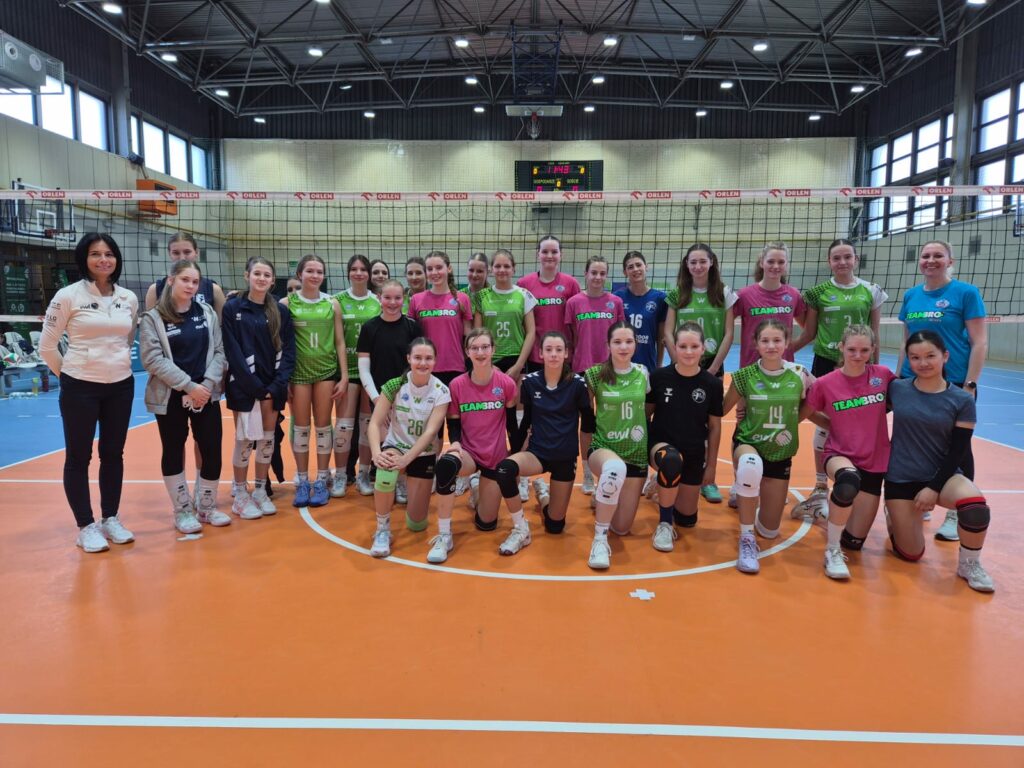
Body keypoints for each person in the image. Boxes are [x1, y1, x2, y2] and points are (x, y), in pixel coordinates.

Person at [39, 233, 139, 553]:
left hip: (121, 386)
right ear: (84, 258)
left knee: (113, 453)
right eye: (96, 254)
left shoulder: (128, 297)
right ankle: (86, 526)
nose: (103, 259)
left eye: (109, 254)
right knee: (78, 456)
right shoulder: (67, 296)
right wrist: (70, 376)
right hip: (80, 387)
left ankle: (110, 518)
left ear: (116, 259)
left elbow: (127, 339)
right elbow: (46, 346)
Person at [884, 331, 994, 592]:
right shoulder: (897, 389)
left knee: (975, 507)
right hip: (901, 478)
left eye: (930, 356)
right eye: (915, 357)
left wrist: (933, 487)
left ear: (945, 356)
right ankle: (894, 514)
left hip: (942, 478)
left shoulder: (962, 400)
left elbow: (959, 451)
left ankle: (969, 564)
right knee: (911, 554)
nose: (923, 363)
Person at [897, 241, 987, 542]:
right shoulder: (911, 295)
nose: (931, 260)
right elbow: (906, 341)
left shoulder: (966, 293)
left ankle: (955, 512)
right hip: (913, 380)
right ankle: (916, 493)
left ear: (950, 260)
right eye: (926, 255)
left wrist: (970, 384)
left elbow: (979, 341)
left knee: (959, 447)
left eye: (938, 255)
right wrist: (899, 376)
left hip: (954, 380)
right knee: (912, 440)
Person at [792, 239, 887, 518]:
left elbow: (875, 333)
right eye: (836, 258)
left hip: (860, 363)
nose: (842, 262)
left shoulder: (871, 290)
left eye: (847, 257)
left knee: (858, 423)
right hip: (826, 362)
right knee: (825, 423)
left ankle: (856, 482)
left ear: (855, 259)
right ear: (829, 262)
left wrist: (875, 369)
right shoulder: (817, 292)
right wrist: (784, 353)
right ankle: (820, 487)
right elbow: (809, 333)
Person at [139, 259, 229, 532]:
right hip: (171, 396)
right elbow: (152, 359)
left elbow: (220, 351)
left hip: (206, 395)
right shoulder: (153, 318)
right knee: (173, 450)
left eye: (195, 281)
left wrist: (207, 384)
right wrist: (189, 386)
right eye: (185, 280)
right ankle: (182, 511)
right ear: (171, 280)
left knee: (211, 450)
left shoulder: (206, 313)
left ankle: (206, 507)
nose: (190, 286)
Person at [723, 319, 818, 574]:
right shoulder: (745, 375)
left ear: (787, 343)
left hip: (780, 452)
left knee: (769, 531)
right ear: (756, 344)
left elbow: (816, 403)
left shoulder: (800, 373)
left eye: (777, 340)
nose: (771, 346)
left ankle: (751, 503)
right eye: (765, 340)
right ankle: (746, 537)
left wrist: (794, 422)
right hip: (749, 443)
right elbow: (720, 410)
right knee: (750, 464)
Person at [804, 325, 894, 579]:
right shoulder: (825, 383)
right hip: (839, 453)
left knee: (853, 542)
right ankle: (831, 550)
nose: (857, 355)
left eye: (864, 350)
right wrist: (833, 425)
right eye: (852, 349)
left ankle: (820, 511)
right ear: (841, 347)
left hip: (874, 460)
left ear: (873, 350)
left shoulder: (883, 376)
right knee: (847, 483)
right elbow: (806, 412)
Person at [497, 331, 594, 553]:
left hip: (565, 457)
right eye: (548, 350)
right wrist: (515, 451)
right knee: (504, 470)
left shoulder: (577, 384)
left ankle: (543, 494)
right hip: (537, 454)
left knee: (555, 525)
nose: (553, 354)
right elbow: (526, 421)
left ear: (566, 353)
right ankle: (521, 528)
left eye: (559, 350)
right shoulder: (530, 382)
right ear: (540, 353)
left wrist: (590, 461)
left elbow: (589, 422)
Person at [428, 328, 518, 563]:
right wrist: (456, 443)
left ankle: (477, 487)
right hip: (468, 453)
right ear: (467, 352)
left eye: (485, 347)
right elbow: (453, 422)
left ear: (493, 350)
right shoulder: (457, 385)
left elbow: (511, 424)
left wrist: (516, 457)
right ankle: (444, 535)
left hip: (495, 456)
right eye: (474, 348)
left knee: (486, 524)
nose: (480, 352)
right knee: (446, 465)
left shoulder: (506, 384)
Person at [221, 257, 295, 520]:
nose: (262, 278)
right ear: (247, 276)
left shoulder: (280, 311)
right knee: (244, 439)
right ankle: (241, 494)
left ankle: (261, 490)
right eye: (257, 274)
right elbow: (232, 350)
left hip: (272, 387)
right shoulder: (232, 308)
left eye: (266, 275)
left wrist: (276, 385)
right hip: (244, 386)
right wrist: (254, 387)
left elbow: (289, 352)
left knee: (266, 438)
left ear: (273, 280)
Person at [662, 243, 737, 504]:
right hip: (683, 363)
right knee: (680, 417)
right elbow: (668, 332)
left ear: (712, 262)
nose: (698, 266)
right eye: (693, 262)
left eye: (702, 261)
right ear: (686, 264)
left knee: (709, 421)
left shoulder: (723, 293)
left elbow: (729, 333)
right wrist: (678, 363)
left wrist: (714, 368)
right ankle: (670, 470)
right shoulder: (678, 293)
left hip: (711, 363)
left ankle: (708, 478)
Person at [366, 338, 451, 558]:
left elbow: (431, 432)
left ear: (435, 361)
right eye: (417, 358)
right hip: (396, 446)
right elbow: (374, 424)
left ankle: (409, 494)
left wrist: (408, 459)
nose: (423, 363)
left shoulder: (441, 391)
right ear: (408, 359)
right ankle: (382, 529)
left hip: (423, 453)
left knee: (417, 524)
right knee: (385, 470)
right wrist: (376, 453)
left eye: (428, 358)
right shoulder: (395, 385)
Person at [646, 323, 723, 553]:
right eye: (683, 346)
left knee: (687, 519)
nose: (688, 352)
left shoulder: (712, 384)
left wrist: (711, 466)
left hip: (693, 452)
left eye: (694, 346)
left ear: (703, 349)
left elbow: (715, 427)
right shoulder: (659, 377)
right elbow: (645, 416)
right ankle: (664, 524)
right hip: (662, 447)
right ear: (674, 347)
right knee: (671, 461)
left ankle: (662, 483)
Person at [583, 322, 650, 570]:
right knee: (614, 469)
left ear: (636, 344)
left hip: (635, 454)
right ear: (608, 345)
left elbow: (648, 411)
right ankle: (599, 540)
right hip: (603, 448)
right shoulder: (594, 374)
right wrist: (586, 469)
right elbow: (586, 422)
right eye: (617, 342)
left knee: (621, 528)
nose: (623, 347)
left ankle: (607, 494)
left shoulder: (643, 372)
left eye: (629, 341)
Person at [282, 254, 347, 508]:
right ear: (300, 274)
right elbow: (281, 343)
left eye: (319, 271)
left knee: (322, 427)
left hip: (325, 372)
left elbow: (340, 342)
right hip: (298, 374)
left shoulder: (332, 304)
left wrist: (343, 375)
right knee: (301, 427)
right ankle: (302, 479)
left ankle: (321, 478)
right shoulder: (287, 303)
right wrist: (284, 378)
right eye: (310, 271)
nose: (315, 275)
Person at [472, 249, 537, 501]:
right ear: (491, 270)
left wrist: (518, 366)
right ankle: (481, 472)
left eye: (506, 266)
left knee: (516, 420)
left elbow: (531, 332)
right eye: (497, 266)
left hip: (516, 361)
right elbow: (477, 335)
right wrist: (488, 365)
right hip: (489, 362)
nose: (501, 270)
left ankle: (520, 475)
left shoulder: (523, 295)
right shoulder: (482, 296)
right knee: (488, 419)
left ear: (513, 268)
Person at [356, 279, 425, 512]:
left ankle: (403, 480)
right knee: (386, 439)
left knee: (408, 437)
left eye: (397, 298)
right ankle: (389, 481)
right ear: (379, 298)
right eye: (387, 298)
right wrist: (377, 398)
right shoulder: (370, 328)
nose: (393, 303)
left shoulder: (412, 327)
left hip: (407, 395)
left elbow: (419, 362)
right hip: (379, 396)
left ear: (404, 299)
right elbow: (364, 368)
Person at [565, 255, 626, 495]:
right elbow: (571, 337)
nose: (598, 277)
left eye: (602, 273)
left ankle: (610, 470)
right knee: (587, 423)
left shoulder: (615, 302)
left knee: (610, 421)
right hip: (582, 368)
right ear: (586, 274)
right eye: (594, 273)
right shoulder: (574, 303)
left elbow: (620, 337)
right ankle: (588, 473)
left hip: (610, 369)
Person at [332, 255, 382, 498]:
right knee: (343, 427)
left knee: (366, 425)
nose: (359, 273)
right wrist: (343, 375)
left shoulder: (377, 301)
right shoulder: (338, 301)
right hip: (348, 370)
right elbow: (339, 341)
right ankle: (341, 474)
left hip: (371, 372)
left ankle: (363, 473)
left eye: (363, 269)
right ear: (348, 272)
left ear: (369, 274)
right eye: (354, 269)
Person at [408, 251, 473, 430]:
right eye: (430, 269)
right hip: (426, 368)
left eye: (439, 267)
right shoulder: (416, 300)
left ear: (448, 268)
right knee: (430, 426)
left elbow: (468, 336)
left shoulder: (462, 299)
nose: (434, 272)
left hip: (455, 368)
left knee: (456, 423)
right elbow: (411, 338)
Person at [732, 242, 806, 368]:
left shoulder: (793, 295)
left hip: (783, 368)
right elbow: (725, 327)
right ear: (762, 263)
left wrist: (788, 349)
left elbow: (808, 329)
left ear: (786, 264)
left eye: (781, 262)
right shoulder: (744, 295)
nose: (776, 266)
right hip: (751, 367)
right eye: (771, 261)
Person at [518, 235, 580, 374]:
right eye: (545, 251)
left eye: (554, 252)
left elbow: (576, 324)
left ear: (561, 255)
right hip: (535, 355)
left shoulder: (571, 284)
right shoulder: (524, 284)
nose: (550, 256)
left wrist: (576, 350)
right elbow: (521, 322)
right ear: (538, 254)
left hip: (563, 354)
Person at [144, 232, 226, 316]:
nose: (182, 258)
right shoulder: (155, 289)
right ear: (169, 254)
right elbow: (151, 322)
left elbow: (220, 323)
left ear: (196, 252)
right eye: (176, 253)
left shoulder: (214, 290)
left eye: (187, 252)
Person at [614, 251, 666, 375]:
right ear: (625, 272)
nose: (635, 269)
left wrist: (659, 365)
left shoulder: (660, 298)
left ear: (646, 267)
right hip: (621, 364)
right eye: (630, 267)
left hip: (648, 365)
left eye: (638, 265)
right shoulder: (617, 298)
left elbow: (661, 338)